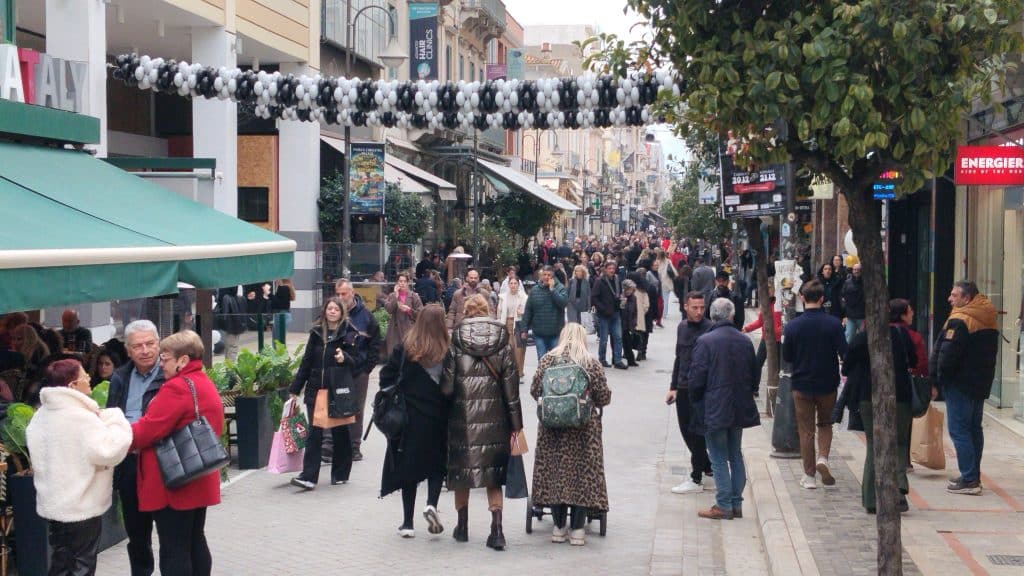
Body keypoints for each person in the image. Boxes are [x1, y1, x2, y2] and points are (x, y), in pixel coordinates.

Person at [128, 331, 223, 576]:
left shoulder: (177, 388)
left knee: (174, 548)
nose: (161, 364)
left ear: (182, 360)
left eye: (165, 358)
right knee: (194, 540)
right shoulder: (202, 381)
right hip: (197, 474)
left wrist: (115, 434)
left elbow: (148, 429)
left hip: (174, 481)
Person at [26, 358, 132, 576]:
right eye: (84, 375)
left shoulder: (41, 415)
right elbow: (108, 451)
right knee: (82, 564)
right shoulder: (81, 418)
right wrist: (117, 420)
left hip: (55, 504)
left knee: (61, 561)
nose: (89, 378)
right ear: (72, 386)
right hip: (82, 505)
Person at [444, 294, 523, 551]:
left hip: (462, 418)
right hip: (495, 418)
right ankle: (497, 530)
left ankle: (463, 526)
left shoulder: (456, 339)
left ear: (466, 312)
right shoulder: (502, 340)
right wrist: (516, 426)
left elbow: (446, 387)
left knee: (462, 472)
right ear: (488, 311)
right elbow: (512, 389)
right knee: (493, 475)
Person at [530, 323, 611, 546]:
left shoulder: (548, 360)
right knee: (582, 476)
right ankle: (577, 530)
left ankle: (558, 527)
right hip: (584, 430)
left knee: (556, 473)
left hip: (552, 430)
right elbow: (603, 397)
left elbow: (535, 390)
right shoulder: (590, 363)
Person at [378, 305, 451, 538]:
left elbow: (385, 377)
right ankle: (431, 503)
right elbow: (452, 387)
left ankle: (407, 523)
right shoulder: (446, 351)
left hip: (409, 418)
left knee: (409, 468)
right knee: (437, 465)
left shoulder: (405, 348)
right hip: (438, 418)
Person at [689, 298, 761, 520]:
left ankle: (724, 504)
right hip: (739, 404)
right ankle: (736, 503)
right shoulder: (744, 341)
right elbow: (754, 373)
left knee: (718, 456)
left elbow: (697, 378)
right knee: (735, 453)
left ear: (712, 315)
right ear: (731, 315)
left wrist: (696, 400)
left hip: (715, 406)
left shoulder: (706, 341)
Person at [929, 280, 999, 495]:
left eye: (954, 295)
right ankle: (972, 475)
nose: (950, 299)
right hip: (980, 382)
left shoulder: (960, 320)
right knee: (973, 429)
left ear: (966, 299)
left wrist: (937, 379)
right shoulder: (987, 316)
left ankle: (969, 479)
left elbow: (947, 354)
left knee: (959, 431)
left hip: (960, 383)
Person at [106, 320, 164, 576]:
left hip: (161, 461)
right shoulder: (120, 376)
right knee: (137, 532)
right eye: (137, 346)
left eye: (150, 344)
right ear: (128, 350)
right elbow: (110, 416)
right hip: (130, 463)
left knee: (169, 530)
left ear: (159, 344)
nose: (145, 350)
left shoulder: (169, 374)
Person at [288, 297, 364, 489]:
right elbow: (306, 361)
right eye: (329, 308)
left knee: (340, 433)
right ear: (324, 311)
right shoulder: (316, 333)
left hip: (337, 391)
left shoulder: (349, 333)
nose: (331, 312)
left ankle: (340, 473)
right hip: (316, 390)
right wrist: (295, 389)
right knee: (315, 434)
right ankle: (308, 477)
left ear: (341, 313)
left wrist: (344, 357)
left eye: (335, 309)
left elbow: (357, 361)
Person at [782, 280, 848, 490]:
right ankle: (823, 458)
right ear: (822, 299)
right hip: (827, 382)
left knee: (805, 430)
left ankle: (809, 476)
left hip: (801, 383)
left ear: (802, 298)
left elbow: (787, 356)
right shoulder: (834, 324)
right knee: (825, 424)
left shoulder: (793, 325)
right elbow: (844, 353)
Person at [844, 320, 915, 514]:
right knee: (899, 443)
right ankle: (899, 488)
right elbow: (914, 361)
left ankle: (871, 499)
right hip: (900, 396)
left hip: (869, 396)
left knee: (874, 445)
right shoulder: (901, 335)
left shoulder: (861, 338)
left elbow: (846, 367)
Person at [665, 291, 713, 494]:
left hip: (701, 389)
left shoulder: (710, 328)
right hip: (683, 387)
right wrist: (673, 386)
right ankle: (707, 465)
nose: (699, 311)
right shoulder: (682, 327)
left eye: (702, 307)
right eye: (695, 307)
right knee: (686, 430)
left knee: (697, 432)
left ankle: (696, 475)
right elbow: (679, 358)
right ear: (685, 306)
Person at [334, 279, 383, 462]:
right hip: (337, 369)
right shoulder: (332, 313)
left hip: (358, 369)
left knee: (356, 409)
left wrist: (367, 367)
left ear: (352, 293)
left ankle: (354, 447)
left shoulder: (366, 316)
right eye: (337, 294)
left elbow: (375, 342)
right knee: (336, 405)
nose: (340, 297)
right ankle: (332, 446)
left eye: (343, 293)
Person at [520, 266, 569, 360]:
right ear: (541, 276)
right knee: (542, 360)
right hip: (539, 333)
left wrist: (552, 290)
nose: (546, 277)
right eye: (544, 275)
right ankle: (542, 375)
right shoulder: (534, 290)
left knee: (555, 361)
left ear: (553, 277)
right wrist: (524, 329)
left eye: (549, 275)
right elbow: (528, 310)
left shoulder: (560, 288)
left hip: (555, 333)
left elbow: (563, 303)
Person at [742, 293, 782, 396]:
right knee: (757, 363)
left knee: (779, 366)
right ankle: (755, 388)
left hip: (779, 341)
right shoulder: (766, 304)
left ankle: (779, 389)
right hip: (766, 339)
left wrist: (776, 331)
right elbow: (760, 322)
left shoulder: (781, 304)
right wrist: (747, 328)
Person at [591, 260, 628, 369]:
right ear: (605, 269)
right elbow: (594, 297)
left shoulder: (617, 279)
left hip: (616, 312)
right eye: (610, 268)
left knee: (618, 337)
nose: (612, 270)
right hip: (604, 314)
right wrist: (602, 308)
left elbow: (619, 292)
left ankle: (617, 360)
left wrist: (621, 299)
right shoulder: (599, 281)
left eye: (613, 268)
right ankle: (602, 359)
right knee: (604, 339)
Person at [383, 272, 423, 358]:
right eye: (400, 281)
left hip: (409, 329)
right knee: (395, 356)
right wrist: (396, 296)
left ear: (408, 283)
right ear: (397, 283)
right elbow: (389, 309)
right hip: (395, 331)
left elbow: (421, 313)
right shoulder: (392, 295)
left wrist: (409, 310)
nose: (402, 283)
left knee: (408, 356)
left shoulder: (414, 296)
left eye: (404, 281)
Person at [497, 275, 528, 379]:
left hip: (519, 323)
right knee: (508, 349)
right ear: (508, 284)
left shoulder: (524, 297)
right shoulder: (503, 297)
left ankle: (519, 372)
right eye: (511, 283)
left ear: (518, 285)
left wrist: (522, 312)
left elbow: (528, 312)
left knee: (519, 349)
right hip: (506, 323)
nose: (513, 285)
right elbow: (499, 312)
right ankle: (509, 372)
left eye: (515, 283)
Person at [619, 280, 642, 367]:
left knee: (628, 342)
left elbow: (635, 311)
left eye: (631, 290)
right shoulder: (621, 297)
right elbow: (620, 309)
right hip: (620, 322)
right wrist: (622, 302)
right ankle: (616, 359)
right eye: (628, 289)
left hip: (629, 324)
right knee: (618, 342)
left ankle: (631, 360)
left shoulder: (633, 298)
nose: (629, 291)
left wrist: (634, 322)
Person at [841, 263, 865, 342]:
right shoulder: (847, 283)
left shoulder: (866, 283)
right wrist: (844, 314)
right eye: (855, 269)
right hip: (850, 316)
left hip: (863, 316)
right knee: (849, 337)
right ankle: (847, 354)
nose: (856, 271)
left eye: (858, 270)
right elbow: (842, 297)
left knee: (863, 338)